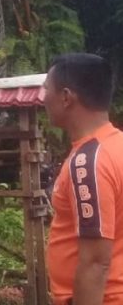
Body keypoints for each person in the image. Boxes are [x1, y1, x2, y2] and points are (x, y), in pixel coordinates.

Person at [45, 53, 123, 305]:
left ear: (66, 97)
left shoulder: (88, 163)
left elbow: (95, 263)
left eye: (47, 89)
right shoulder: (116, 146)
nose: (43, 98)